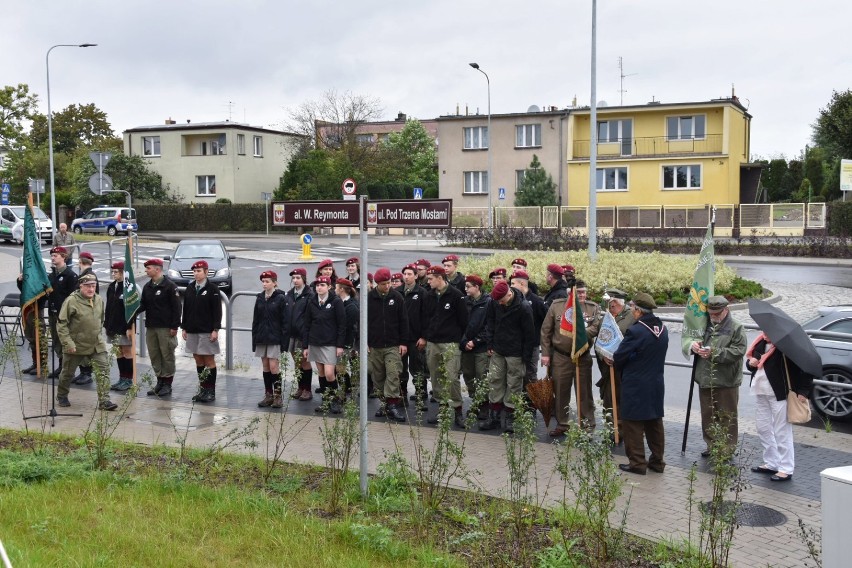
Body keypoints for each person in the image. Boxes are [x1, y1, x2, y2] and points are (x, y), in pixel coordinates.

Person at [611, 293, 669, 475]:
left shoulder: (636, 330)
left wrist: (624, 360)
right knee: (654, 422)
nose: (632, 311)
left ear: (638, 311)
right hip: (656, 382)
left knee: (633, 424)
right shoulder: (663, 328)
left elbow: (619, 356)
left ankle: (637, 463)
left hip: (635, 384)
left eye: (633, 308)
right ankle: (658, 462)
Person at [746, 333, 813, 481]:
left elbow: (805, 368)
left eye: (768, 331)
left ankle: (786, 468)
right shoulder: (761, 343)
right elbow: (753, 366)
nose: (765, 333)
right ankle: (772, 462)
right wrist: (751, 364)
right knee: (763, 428)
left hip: (780, 394)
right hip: (760, 391)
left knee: (781, 430)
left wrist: (803, 391)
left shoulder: (786, 347)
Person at [690, 296, 747, 458]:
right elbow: (693, 340)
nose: (713, 317)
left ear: (726, 310)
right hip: (705, 378)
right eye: (711, 314)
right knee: (708, 415)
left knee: (726, 417)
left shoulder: (736, 327)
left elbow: (738, 351)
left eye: (717, 314)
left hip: (726, 381)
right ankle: (712, 445)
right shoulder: (705, 325)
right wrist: (694, 345)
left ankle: (726, 450)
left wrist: (715, 353)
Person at [55, 274, 117, 411]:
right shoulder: (71, 301)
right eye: (87, 286)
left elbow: (100, 320)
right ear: (81, 286)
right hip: (76, 345)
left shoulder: (99, 299)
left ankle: (104, 400)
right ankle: (62, 395)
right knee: (67, 373)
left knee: (103, 371)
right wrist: (68, 343)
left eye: (93, 286)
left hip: (96, 343)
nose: (91, 289)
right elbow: (61, 324)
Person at [480, 280, 535, 433]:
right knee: (495, 380)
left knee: (514, 384)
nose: (499, 303)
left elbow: (529, 334)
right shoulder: (494, 302)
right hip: (498, 349)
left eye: (501, 300)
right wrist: (490, 344)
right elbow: (490, 323)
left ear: (509, 294)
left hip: (516, 352)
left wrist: (526, 357)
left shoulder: (524, 307)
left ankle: (510, 416)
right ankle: (494, 416)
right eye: (497, 300)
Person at [421, 265, 469, 428]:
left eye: (430, 279)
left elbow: (464, 321)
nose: (428, 282)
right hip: (433, 343)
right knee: (435, 377)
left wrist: (459, 340)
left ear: (440, 278)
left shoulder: (456, 295)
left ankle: (457, 410)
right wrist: (426, 336)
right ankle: (442, 409)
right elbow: (426, 318)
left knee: (452, 377)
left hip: (450, 343)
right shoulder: (429, 296)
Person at [367, 268, 409, 422]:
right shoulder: (369, 298)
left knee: (393, 374)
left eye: (389, 283)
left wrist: (403, 342)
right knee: (378, 376)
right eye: (384, 284)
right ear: (377, 284)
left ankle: (392, 405)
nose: (387, 286)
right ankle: (384, 404)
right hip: (375, 345)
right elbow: (363, 322)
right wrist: (365, 342)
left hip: (392, 344)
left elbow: (404, 321)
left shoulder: (397, 297)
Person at [595, 289, 634, 441]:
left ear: (617, 302)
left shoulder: (631, 317)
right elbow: (601, 339)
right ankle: (612, 430)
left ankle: (624, 430)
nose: (608, 306)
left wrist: (619, 357)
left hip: (624, 368)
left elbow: (633, 342)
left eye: (610, 303)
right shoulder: (607, 316)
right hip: (607, 367)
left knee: (623, 399)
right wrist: (603, 356)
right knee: (609, 399)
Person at [138, 258, 181, 397]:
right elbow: (143, 305)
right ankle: (160, 382)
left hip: (166, 327)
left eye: (148, 268)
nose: (146, 270)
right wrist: (131, 310)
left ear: (157, 269)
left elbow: (177, 308)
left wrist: (174, 326)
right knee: (155, 354)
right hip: (151, 326)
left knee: (167, 354)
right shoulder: (147, 286)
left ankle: (167, 383)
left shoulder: (169, 286)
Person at [303, 275, 346, 414]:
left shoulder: (336, 301)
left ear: (329, 287)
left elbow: (342, 325)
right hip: (315, 342)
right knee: (321, 373)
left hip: (330, 343)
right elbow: (307, 325)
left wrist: (340, 345)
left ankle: (335, 400)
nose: (319, 288)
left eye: (322, 285)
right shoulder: (312, 302)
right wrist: (305, 346)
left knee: (329, 373)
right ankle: (326, 401)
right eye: (317, 285)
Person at [182, 260, 223, 403]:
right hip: (192, 329)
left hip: (206, 330)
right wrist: (184, 327)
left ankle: (211, 391)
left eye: (199, 271)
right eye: (194, 271)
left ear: (206, 272)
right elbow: (185, 309)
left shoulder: (212, 289)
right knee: (198, 359)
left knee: (208, 359)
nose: (196, 273)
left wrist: (215, 329)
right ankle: (203, 389)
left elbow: (217, 311)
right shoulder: (190, 288)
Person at [251, 270, 289, 408]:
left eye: (267, 281)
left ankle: (278, 396)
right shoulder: (260, 298)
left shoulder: (281, 298)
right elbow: (255, 320)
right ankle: (268, 395)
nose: (264, 284)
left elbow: (286, 323)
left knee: (274, 366)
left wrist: (284, 342)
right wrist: (254, 339)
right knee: (266, 366)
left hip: (275, 338)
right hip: (262, 337)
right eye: (263, 281)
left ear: (274, 283)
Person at [460, 274, 490, 420]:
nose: (465, 289)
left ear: (477, 287)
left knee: (481, 376)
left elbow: (489, 326)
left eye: (468, 286)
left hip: (480, 348)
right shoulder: (464, 302)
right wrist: (464, 341)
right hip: (465, 346)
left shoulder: (488, 302)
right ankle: (475, 401)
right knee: (468, 375)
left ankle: (483, 405)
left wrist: (476, 341)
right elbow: (459, 324)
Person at [510, 270, 547, 386]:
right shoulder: (513, 300)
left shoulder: (536, 301)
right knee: (516, 374)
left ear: (522, 284)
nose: (510, 287)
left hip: (532, 345)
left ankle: (531, 402)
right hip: (516, 344)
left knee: (529, 374)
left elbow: (547, 322)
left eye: (512, 283)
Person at [46, 247, 78, 379]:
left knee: (66, 341)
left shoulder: (70, 275)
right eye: (52, 255)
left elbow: (74, 298)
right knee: (56, 341)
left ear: (63, 257)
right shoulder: (51, 275)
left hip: (65, 316)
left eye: (56, 255)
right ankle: (61, 367)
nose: (53, 257)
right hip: (53, 313)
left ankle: (68, 370)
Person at [286, 268, 315, 401]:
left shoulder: (309, 294)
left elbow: (310, 316)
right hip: (292, 333)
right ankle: (300, 387)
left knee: (304, 361)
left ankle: (307, 389)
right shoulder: (290, 294)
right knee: (296, 362)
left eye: (298, 277)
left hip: (303, 333)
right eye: (294, 278)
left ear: (303, 278)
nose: (295, 280)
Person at [400, 264, 427, 408]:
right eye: (405, 274)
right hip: (401, 340)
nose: (406, 277)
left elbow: (426, 317)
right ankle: (402, 396)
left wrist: (424, 337)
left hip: (416, 339)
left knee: (417, 369)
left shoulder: (422, 293)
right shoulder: (397, 292)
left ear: (416, 276)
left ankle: (420, 397)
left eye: (410, 274)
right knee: (401, 370)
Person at [105, 261, 135, 392]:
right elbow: (108, 307)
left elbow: (132, 309)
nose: (113, 274)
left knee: (127, 352)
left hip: (124, 326)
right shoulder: (112, 286)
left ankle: (128, 379)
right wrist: (106, 324)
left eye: (116, 272)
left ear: (123, 273)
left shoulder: (128, 288)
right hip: (113, 325)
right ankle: (122, 378)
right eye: (112, 272)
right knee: (118, 352)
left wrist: (129, 327)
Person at [71, 251, 99, 385]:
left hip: (86, 313)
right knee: (81, 344)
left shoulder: (88, 276)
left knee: (86, 344)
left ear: (81, 262)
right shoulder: (86, 275)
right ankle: (83, 371)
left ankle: (87, 372)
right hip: (84, 312)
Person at [335, 278, 359, 396]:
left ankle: (346, 388)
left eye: (336, 287)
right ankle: (346, 387)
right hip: (339, 339)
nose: (335, 289)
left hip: (346, 341)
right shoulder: (339, 302)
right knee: (339, 366)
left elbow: (348, 326)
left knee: (340, 366)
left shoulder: (351, 306)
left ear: (342, 289)